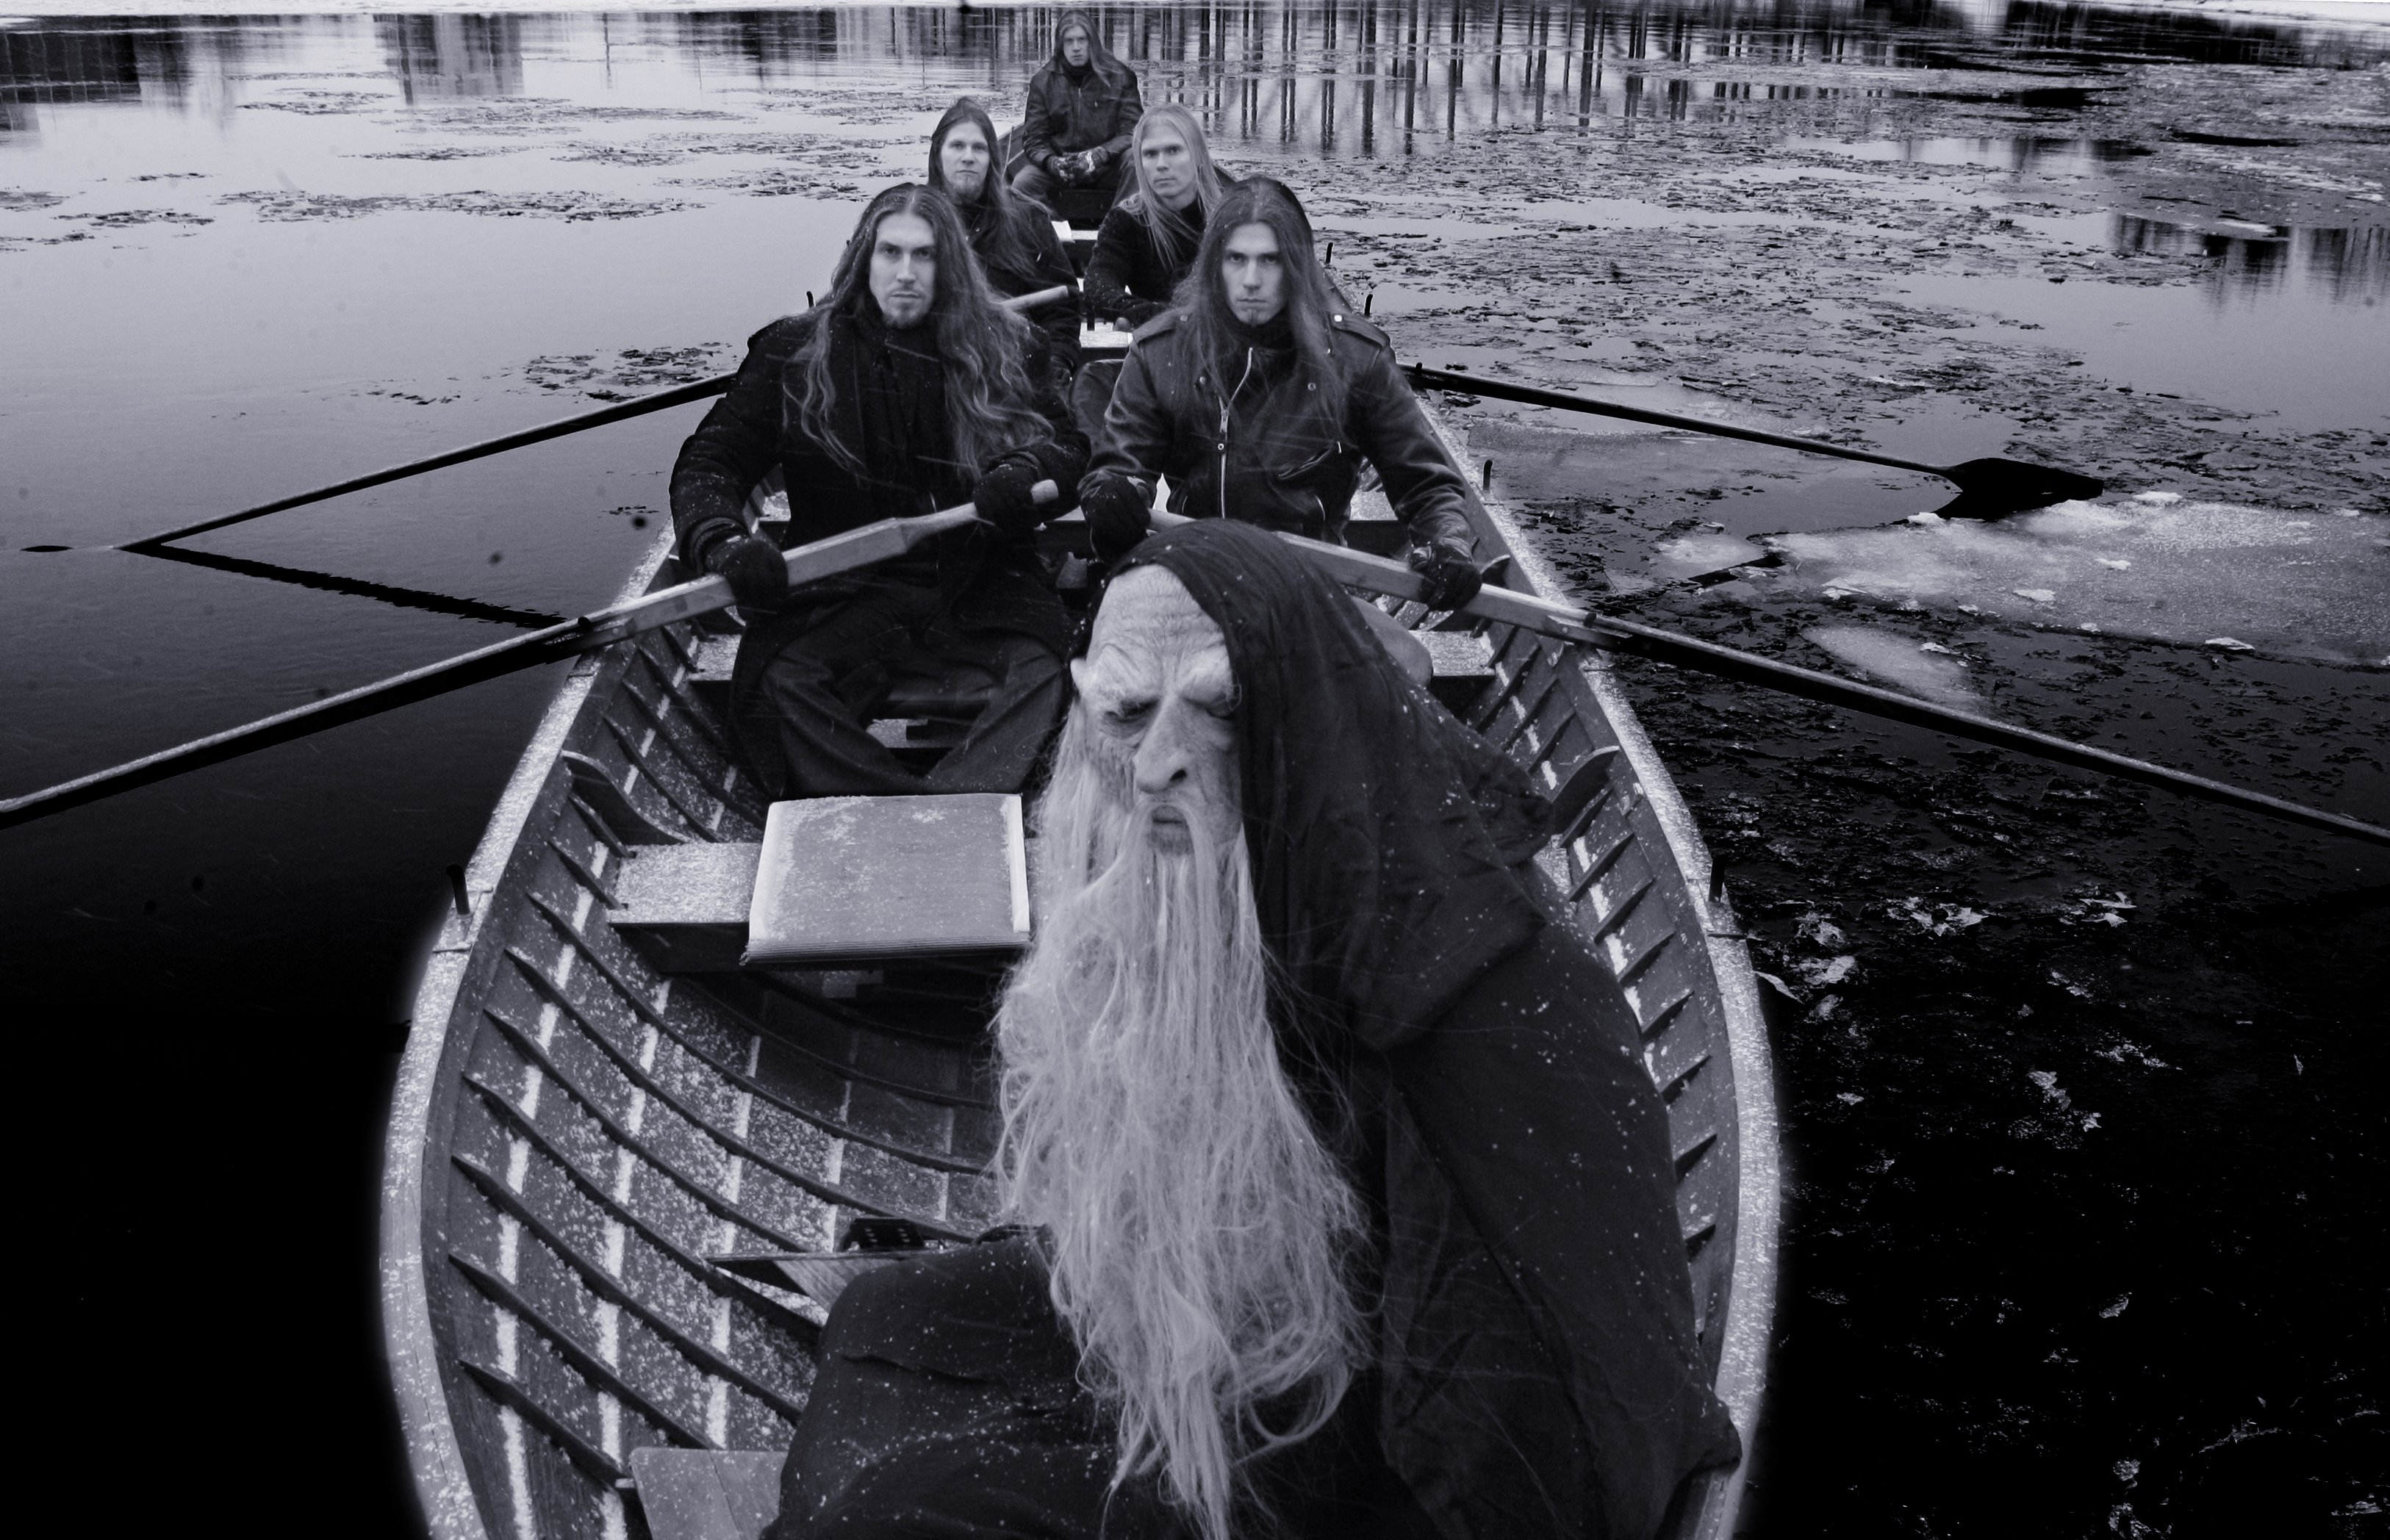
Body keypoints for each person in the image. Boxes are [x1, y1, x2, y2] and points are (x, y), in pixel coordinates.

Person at [764, 519, 1743, 1540]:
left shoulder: (1477, 993)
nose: (1157, 765)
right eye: (1126, 714)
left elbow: (1530, 1437)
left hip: (1377, 1443)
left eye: (1221, 712)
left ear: (1307, 715)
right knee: (888, 1313)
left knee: (908, 1511)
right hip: (1255, 1312)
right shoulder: (1251, 873)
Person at [669, 184, 1087, 800]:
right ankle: (931, 806)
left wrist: (1023, 470)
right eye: (891, 253)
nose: (906, 272)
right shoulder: (794, 350)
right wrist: (724, 541)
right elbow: (710, 464)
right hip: (843, 591)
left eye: (925, 255)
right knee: (778, 686)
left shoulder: (1010, 346)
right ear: (864, 258)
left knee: (1053, 676)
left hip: (981, 584)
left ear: (950, 265)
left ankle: (938, 805)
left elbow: (1069, 450)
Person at [1080, 178, 1486, 615]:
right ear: (1214, 264)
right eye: (1236, 259)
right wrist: (1112, 497)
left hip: (1311, 589)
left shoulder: (1357, 359)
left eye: (1269, 260)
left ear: (1295, 266)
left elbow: (1425, 485)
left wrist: (1447, 543)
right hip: (1196, 577)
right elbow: (1119, 468)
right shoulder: (1160, 351)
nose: (1251, 281)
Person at [927, 96, 1082, 385]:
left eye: (979, 148)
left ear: (992, 160)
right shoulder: (914, 220)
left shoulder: (1029, 220)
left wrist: (1057, 362)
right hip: (933, 372)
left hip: (1011, 373)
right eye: (957, 146)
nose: (968, 157)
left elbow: (1062, 313)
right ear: (938, 155)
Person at [1080, 104, 1229, 330]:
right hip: (1156, 335)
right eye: (1150, 154)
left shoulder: (1229, 218)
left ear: (1198, 155)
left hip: (1220, 333)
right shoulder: (1127, 219)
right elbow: (1098, 284)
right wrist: (1148, 313)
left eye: (1173, 151)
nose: (1161, 165)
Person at [1011, 10, 1142, 215]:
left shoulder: (1121, 77)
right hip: (1060, 170)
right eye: (1069, 41)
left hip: (1108, 167)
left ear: (1093, 43)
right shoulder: (1042, 82)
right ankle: (1049, 227)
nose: (1076, 47)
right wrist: (1052, 162)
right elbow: (1034, 139)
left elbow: (1133, 131)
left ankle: (1121, 220)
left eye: (1082, 40)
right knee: (1021, 185)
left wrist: (1100, 154)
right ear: (1060, 45)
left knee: (1137, 162)